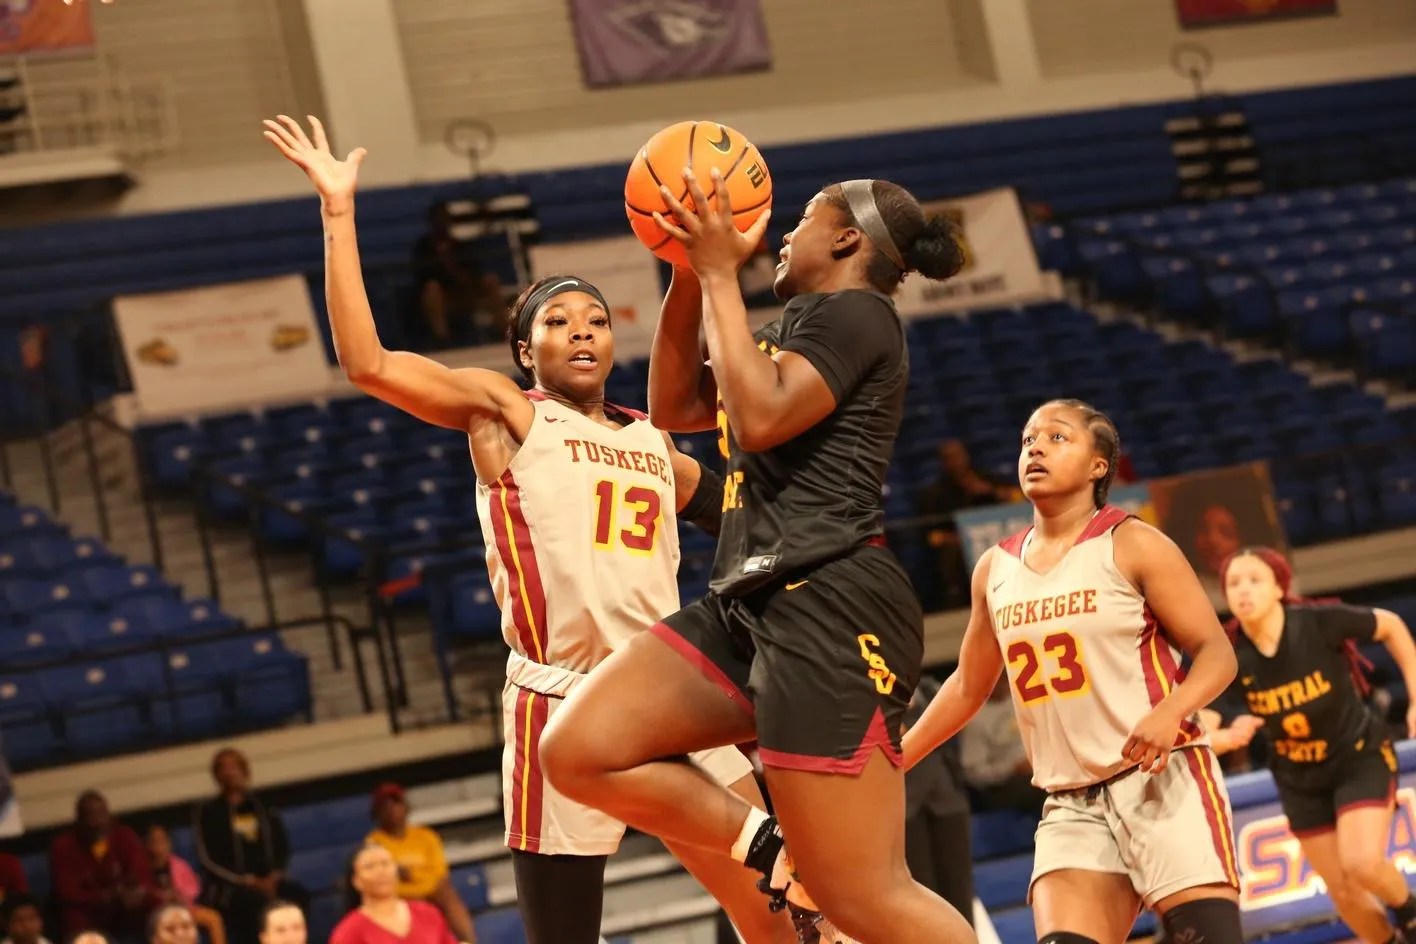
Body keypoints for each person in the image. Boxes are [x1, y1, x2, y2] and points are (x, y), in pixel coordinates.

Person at [263, 113, 795, 944]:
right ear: (523, 351)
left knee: (778, 913)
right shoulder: (506, 413)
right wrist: (338, 212)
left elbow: (755, 521)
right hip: (561, 699)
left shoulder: (654, 443)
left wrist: (692, 267)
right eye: (558, 321)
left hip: (666, 690)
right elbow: (368, 363)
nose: (581, 329)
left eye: (596, 319)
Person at [539, 171, 975, 944]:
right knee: (577, 750)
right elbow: (674, 406)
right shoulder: (795, 324)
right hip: (750, 601)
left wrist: (719, 276)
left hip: (832, 603)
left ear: (847, 239)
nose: (783, 233)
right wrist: (686, 272)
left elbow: (762, 416)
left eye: (803, 219)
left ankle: (812, 871)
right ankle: (771, 849)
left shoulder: (859, 315)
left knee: (865, 899)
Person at [902, 399, 1245, 944]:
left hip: (1161, 778)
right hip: (1070, 801)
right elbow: (968, 685)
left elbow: (1217, 654)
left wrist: (1171, 712)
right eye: (1028, 440)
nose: (1035, 448)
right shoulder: (995, 567)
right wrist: (897, 760)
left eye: (1057, 437)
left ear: (1098, 465)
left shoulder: (1133, 542)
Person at [1206, 546, 1416, 944]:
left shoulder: (1318, 622)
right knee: (1343, 891)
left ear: (1279, 588)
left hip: (1357, 756)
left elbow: (1390, 625)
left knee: (1362, 863)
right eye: (1233, 583)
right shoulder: (1229, 656)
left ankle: (1410, 912)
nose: (1243, 590)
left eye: (1254, 580)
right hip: (1298, 777)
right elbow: (1204, 722)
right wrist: (1222, 738)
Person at [192, 749, 308, 944]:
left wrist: (275, 875)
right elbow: (207, 858)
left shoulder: (262, 804)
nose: (230, 772)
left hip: (270, 879)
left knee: (298, 894)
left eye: (235, 766)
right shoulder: (208, 811)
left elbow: (282, 844)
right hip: (233, 887)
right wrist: (246, 881)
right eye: (224, 768)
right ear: (217, 775)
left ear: (245, 770)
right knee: (253, 906)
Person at [903, 675, 974, 925]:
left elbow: (959, 718)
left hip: (947, 799)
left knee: (959, 887)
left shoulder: (928, 688)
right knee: (922, 893)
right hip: (904, 807)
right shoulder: (868, 696)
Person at [365, 785, 474, 942]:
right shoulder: (373, 842)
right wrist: (416, 878)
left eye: (396, 803)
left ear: (405, 807)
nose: (391, 809)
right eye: (385, 806)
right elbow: (381, 881)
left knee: (448, 894)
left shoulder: (426, 836)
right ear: (377, 813)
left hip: (431, 894)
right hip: (397, 897)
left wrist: (410, 874)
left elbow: (440, 875)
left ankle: (469, 941)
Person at [50, 790, 158, 941]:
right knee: (73, 916)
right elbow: (67, 893)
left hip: (122, 906)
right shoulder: (63, 846)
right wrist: (105, 896)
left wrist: (134, 891)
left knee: (153, 902)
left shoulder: (124, 835)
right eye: (91, 816)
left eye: (102, 814)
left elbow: (141, 874)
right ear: (79, 820)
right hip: (89, 909)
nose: (98, 822)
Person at [332, 846, 458, 944]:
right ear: (356, 881)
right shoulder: (349, 931)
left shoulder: (428, 913)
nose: (381, 871)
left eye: (385, 863)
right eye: (369, 867)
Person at [960, 676, 1046, 816]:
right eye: (1001, 680)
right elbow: (974, 774)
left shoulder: (1019, 701)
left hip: (1033, 768)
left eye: (1006, 679)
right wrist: (1012, 768)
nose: (1005, 684)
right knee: (1045, 788)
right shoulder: (975, 720)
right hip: (998, 787)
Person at [145, 825, 225, 944]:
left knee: (213, 918)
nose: (159, 846)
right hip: (158, 912)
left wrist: (179, 895)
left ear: (169, 843)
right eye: (154, 841)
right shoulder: (143, 867)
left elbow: (193, 888)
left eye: (162, 840)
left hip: (184, 907)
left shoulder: (179, 864)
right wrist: (161, 896)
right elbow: (144, 892)